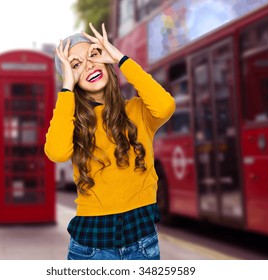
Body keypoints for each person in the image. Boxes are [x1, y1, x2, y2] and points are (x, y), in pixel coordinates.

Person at [44, 23, 175, 260]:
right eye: (76, 65)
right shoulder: (75, 123)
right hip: (91, 247)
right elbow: (56, 152)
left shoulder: (138, 111)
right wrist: (66, 88)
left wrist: (121, 58)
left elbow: (165, 105)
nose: (89, 65)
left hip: (142, 243)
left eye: (93, 55)